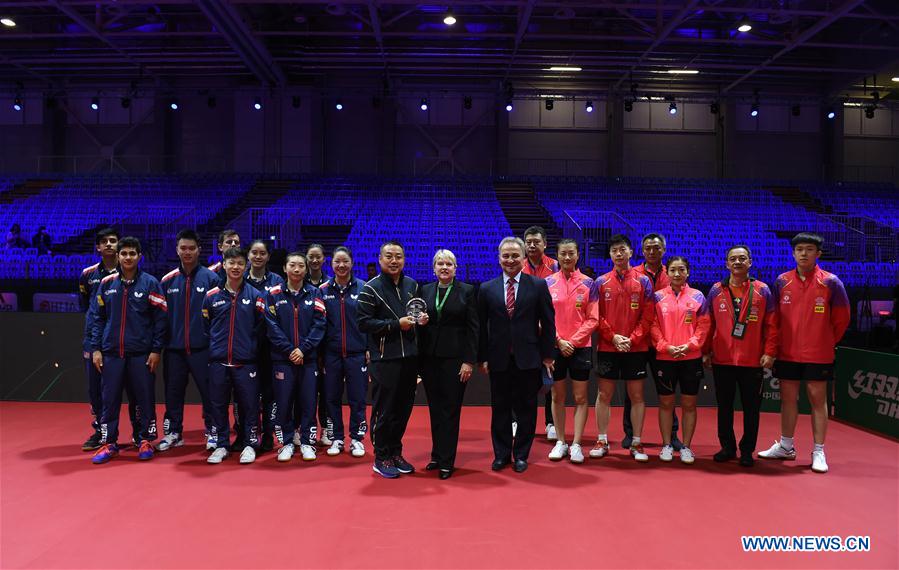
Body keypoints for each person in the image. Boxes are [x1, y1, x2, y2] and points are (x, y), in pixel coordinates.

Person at [759, 233, 850, 474]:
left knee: (817, 401)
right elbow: (774, 319)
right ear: (793, 252)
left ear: (818, 253)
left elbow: (841, 320)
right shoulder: (781, 282)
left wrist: (825, 340)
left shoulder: (831, 282)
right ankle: (786, 446)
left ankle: (818, 450)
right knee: (788, 400)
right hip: (787, 353)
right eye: (799, 249)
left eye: (809, 249)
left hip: (818, 354)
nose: (804, 253)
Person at [478, 237, 556, 474]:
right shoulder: (486, 288)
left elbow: (549, 323)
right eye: (506, 256)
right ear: (499, 258)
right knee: (500, 408)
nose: (510, 260)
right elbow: (481, 328)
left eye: (515, 256)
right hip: (498, 358)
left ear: (523, 258)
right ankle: (501, 454)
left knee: (527, 409)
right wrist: (482, 357)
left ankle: (521, 454)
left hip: (529, 358)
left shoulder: (538, 286)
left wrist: (547, 356)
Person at [88, 237, 167, 464]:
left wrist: (155, 350)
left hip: (141, 354)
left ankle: (144, 439)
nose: (128, 257)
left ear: (139, 256)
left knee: (143, 399)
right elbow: (98, 319)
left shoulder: (150, 284)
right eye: (124, 254)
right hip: (111, 353)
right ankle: (108, 442)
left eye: (133, 253)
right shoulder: (107, 284)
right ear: (118, 256)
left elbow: (161, 320)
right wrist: (96, 349)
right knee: (109, 400)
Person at [705, 245, 778, 467]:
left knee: (751, 408)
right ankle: (727, 447)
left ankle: (747, 450)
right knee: (724, 406)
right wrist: (706, 351)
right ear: (727, 263)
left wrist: (769, 352)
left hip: (752, 359)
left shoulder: (763, 290)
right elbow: (709, 324)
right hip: (723, 359)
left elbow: (772, 325)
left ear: (750, 262)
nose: (737, 262)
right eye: (733, 259)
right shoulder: (716, 290)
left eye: (742, 258)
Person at [358, 240, 425, 478]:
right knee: (384, 410)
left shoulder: (412, 285)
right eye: (389, 256)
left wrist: (421, 321)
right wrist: (396, 325)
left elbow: (415, 316)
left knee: (403, 409)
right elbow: (363, 323)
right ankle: (381, 456)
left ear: (404, 259)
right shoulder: (370, 288)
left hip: (410, 359)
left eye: (398, 256)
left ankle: (396, 451)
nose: (394, 261)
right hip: (384, 359)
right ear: (380, 259)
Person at [591, 234, 654, 462]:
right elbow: (596, 315)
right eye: (614, 250)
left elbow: (648, 316)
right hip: (609, 347)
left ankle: (637, 442)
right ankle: (602, 439)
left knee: (636, 395)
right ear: (609, 255)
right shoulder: (600, 282)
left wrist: (632, 338)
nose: (619, 254)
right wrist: (614, 337)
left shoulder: (644, 281)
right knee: (604, 394)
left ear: (630, 252)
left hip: (635, 349)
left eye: (622, 250)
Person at [156, 229, 220, 452]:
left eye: (192, 248)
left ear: (199, 250)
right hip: (174, 350)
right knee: (173, 392)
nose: (187, 252)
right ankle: (174, 432)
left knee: (209, 393)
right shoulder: (167, 281)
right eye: (183, 248)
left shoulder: (212, 279)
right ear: (177, 250)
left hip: (203, 349)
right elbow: (160, 317)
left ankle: (213, 432)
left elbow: (218, 315)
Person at [419, 249, 479, 479]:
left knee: (450, 410)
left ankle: (447, 461)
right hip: (430, 360)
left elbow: (474, 329)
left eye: (449, 264)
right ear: (433, 268)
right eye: (440, 263)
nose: (444, 267)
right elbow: (417, 323)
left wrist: (468, 361)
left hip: (456, 361)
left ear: (456, 268)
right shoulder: (424, 290)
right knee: (435, 410)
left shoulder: (467, 291)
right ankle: (436, 454)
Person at [203, 247, 266, 465]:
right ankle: (221, 444)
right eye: (232, 263)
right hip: (219, 361)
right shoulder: (211, 296)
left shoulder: (256, 296)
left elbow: (260, 329)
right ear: (224, 265)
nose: (236, 267)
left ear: (246, 265)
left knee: (249, 405)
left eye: (240, 263)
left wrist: (249, 349)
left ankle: (250, 444)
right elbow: (206, 327)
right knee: (218, 405)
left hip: (245, 362)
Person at [78, 227, 137, 451]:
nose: (110, 244)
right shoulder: (88, 275)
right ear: (98, 247)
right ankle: (100, 432)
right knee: (96, 390)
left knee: (132, 389)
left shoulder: (131, 272)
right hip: (95, 341)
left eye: (113, 240)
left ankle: (139, 434)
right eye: (105, 241)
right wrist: (94, 340)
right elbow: (86, 307)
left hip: (125, 341)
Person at [265, 252, 327, 462]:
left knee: (309, 402)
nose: (297, 269)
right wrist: (290, 350)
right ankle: (287, 443)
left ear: (306, 269)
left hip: (308, 360)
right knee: (284, 402)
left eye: (301, 265)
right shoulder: (273, 294)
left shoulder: (315, 293)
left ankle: (308, 443)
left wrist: (304, 350)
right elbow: (271, 327)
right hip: (283, 359)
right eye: (293, 265)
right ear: (285, 268)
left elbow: (320, 324)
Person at [649, 256, 710, 464]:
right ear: (667, 273)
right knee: (666, 403)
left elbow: (703, 326)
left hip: (690, 357)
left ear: (688, 272)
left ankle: (686, 446)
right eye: (673, 270)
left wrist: (690, 345)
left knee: (689, 403)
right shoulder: (657, 297)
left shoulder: (698, 296)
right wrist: (666, 346)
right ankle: (666, 444)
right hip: (665, 357)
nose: (677, 274)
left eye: (681, 270)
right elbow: (653, 325)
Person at [545, 239, 598, 464]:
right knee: (557, 395)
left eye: (571, 254)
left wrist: (573, 342)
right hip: (555, 347)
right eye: (563, 254)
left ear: (578, 256)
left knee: (580, 397)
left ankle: (576, 443)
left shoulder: (589, 284)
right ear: (557, 256)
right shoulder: (547, 283)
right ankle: (560, 441)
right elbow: (544, 318)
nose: (567, 258)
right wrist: (559, 340)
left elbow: (593, 318)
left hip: (580, 348)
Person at [630, 232, 681, 450]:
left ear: (664, 249)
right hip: (639, 342)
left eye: (656, 248)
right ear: (642, 251)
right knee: (633, 392)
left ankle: (672, 435)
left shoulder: (673, 273)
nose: (652, 251)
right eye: (648, 248)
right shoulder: (634, 273)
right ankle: (630, 434)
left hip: (664, 343)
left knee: (667, 393)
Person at [321, 247, 369, 458]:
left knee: (357, 398)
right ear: (331, 265)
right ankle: (337, 438)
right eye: (337, 262)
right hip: (331, 354)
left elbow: (369, 322)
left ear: (351, 263)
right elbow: (318, 325)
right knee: (331, 397)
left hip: (357, 353)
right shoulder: (322, 290)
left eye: (345, 261)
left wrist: (369, 347)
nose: (341, 265)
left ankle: (357, 439)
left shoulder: (364, 288)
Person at [245, 239, 285, 452]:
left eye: (262, 253)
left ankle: (268, 434)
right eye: (254, 252)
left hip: (271, 347)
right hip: (246, 347)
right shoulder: (239, 277)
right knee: (247, 395)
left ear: (268, 256)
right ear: (248, 255)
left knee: (270, 395)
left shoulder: (277, 280)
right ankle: (247, 434)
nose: (258, 257)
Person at [521, 226, 560, 440]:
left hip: (548, 332)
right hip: (525, 334)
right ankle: (517, 420)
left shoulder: (555, 266)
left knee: (549, 378)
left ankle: (551, 422)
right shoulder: (518, 265)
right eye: (529, 241)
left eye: (537, 241)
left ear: (545, 244)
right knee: (521, 379)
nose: (532, 245)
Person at [304, 243, 333, 448]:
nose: (314, 261)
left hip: (326, 347)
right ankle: (303, 430)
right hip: (304, 347)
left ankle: (326, 429)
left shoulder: (329, 285)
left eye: (318, 257)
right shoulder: (297, 281)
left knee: (326, 391)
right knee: (304, 393)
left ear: (324, 259)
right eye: (311, 257)